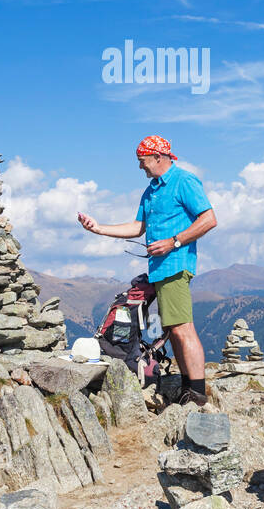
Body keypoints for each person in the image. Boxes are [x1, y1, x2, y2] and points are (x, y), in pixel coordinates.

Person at [77, 135, 217, 405]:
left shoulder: (184, 181)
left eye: (142, 162)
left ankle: (197, 393)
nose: (140, 167)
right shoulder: (151, 190)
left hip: (176, 265)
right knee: (173, 329)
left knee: (182, 327)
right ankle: (189, 386)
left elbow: (209, 219)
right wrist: (98, 228)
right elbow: (137, 227)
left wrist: (174, 241)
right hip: (159, 269)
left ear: (158, 157)